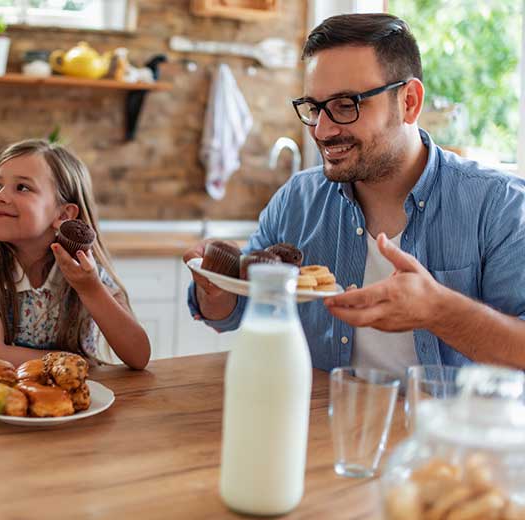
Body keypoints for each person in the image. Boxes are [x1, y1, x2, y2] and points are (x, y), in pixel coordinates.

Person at [185, 13, 525, 375]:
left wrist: (440, 311)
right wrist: (215, 288)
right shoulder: (297, 201)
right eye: (314, 108)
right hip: (321, 425)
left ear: (409, 102)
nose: (323, 129)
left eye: (347, 105)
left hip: (446, 429)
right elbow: (235, 310)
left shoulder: (499, 206)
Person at [0, 139, 150, 370]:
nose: (0, 196)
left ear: (64, 214)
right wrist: (79, 363)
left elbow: (138, 356)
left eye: (22, 187)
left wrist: (90, 288)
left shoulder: (87, 272)